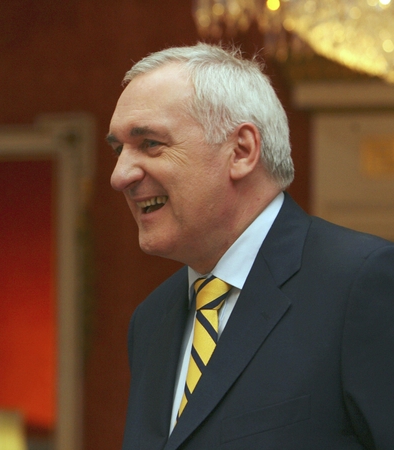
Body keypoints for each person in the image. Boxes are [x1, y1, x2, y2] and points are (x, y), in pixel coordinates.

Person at [108, 43, 394, 449]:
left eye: (150, 143)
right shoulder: (151, 320)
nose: (120, 176)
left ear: (241, 151)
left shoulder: (361, 284)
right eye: (118, 149)